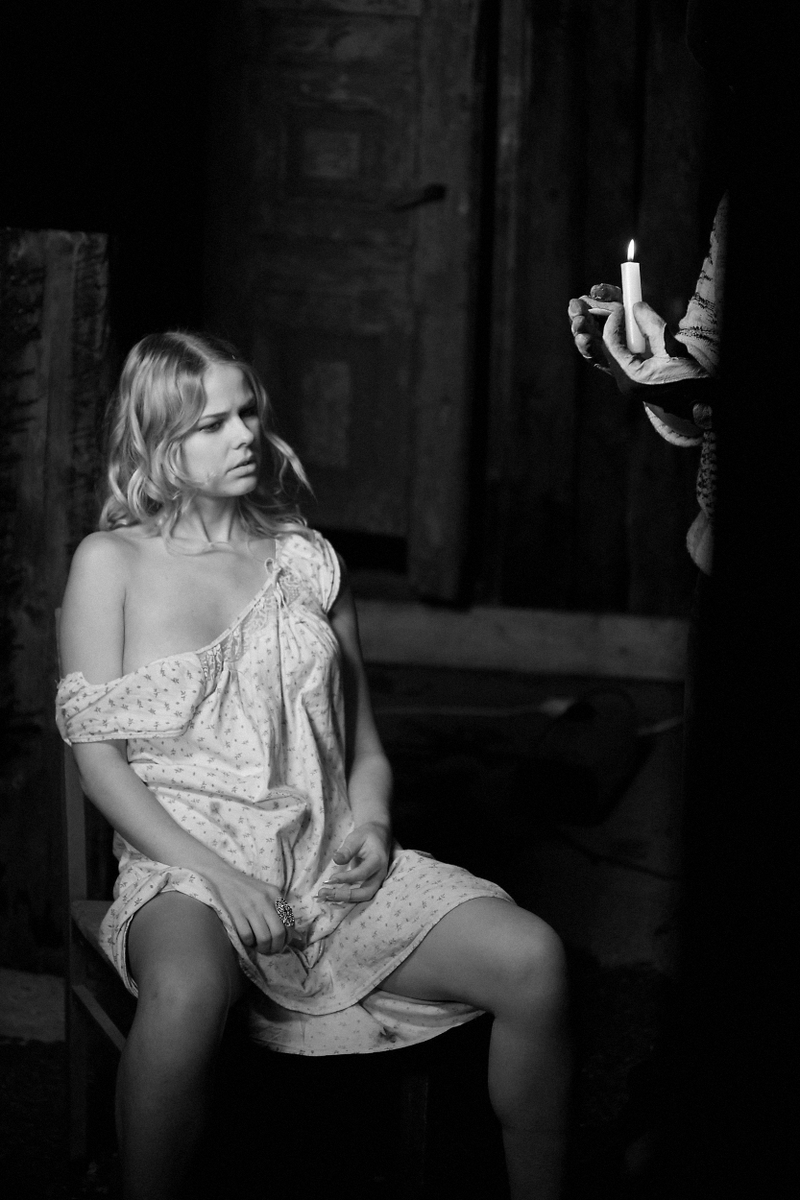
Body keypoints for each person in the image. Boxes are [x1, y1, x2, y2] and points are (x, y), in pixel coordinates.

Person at [56, 331, 570, 1200]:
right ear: (156, 438)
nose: (245, 435)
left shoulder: (306, 559)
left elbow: (363, 746)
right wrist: (224, 877)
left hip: (325, 868)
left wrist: (375, 823)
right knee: (186, 995)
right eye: (211, 423)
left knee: (534, 959)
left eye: (247, 412)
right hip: (185, 868)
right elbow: (100, 769)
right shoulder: (111, 563)